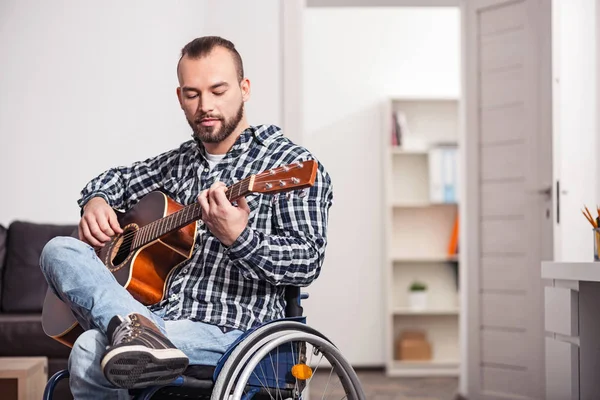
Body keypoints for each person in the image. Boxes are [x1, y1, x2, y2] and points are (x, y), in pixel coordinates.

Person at [40, 35, 334, 399]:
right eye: (193, 94)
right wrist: (97, 200)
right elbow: (115, 179)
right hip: (159, 320)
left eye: (218, 90)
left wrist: (240, 239)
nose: (205, 106)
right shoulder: (176, 164)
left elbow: (307, 261)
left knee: (88, 348)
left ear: (244, 89)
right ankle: (133, 327)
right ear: (180, 98)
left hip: (233, 332)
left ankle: (134, 332)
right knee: (59, 249)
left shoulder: (289, 165)